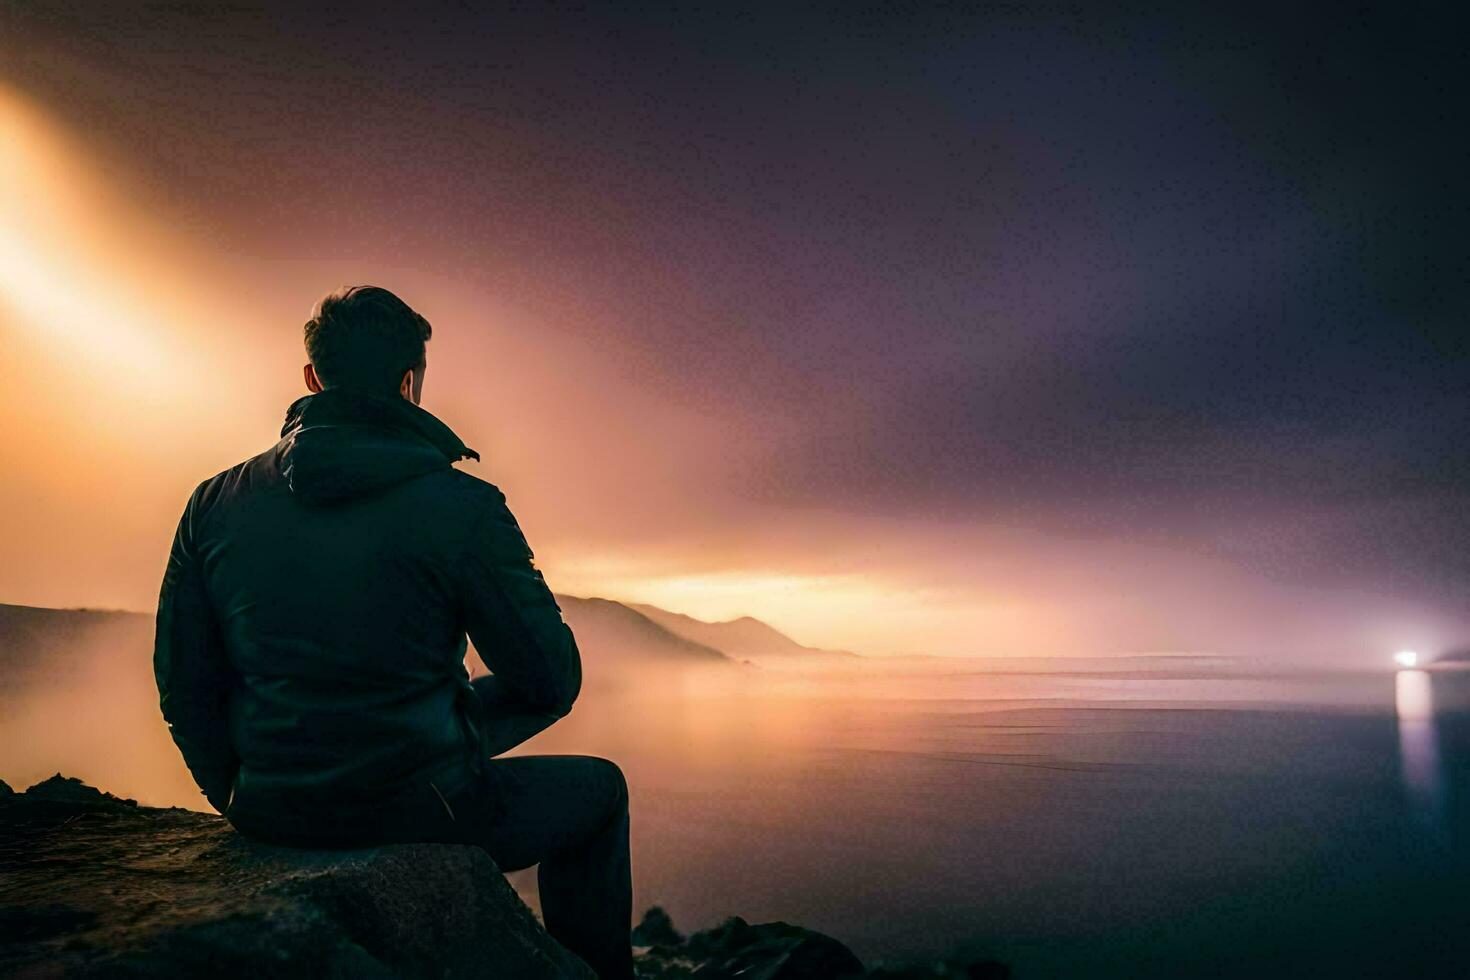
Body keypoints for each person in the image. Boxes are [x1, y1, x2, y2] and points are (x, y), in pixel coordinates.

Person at [153, 285, 633, 979]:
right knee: (600, 791)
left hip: (269, 804)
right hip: (421, 806)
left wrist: (240, 797)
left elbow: (183, 686)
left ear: (313, 378)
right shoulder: (463, 505)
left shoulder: (212, 503)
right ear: (411, 383)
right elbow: (552, 682)